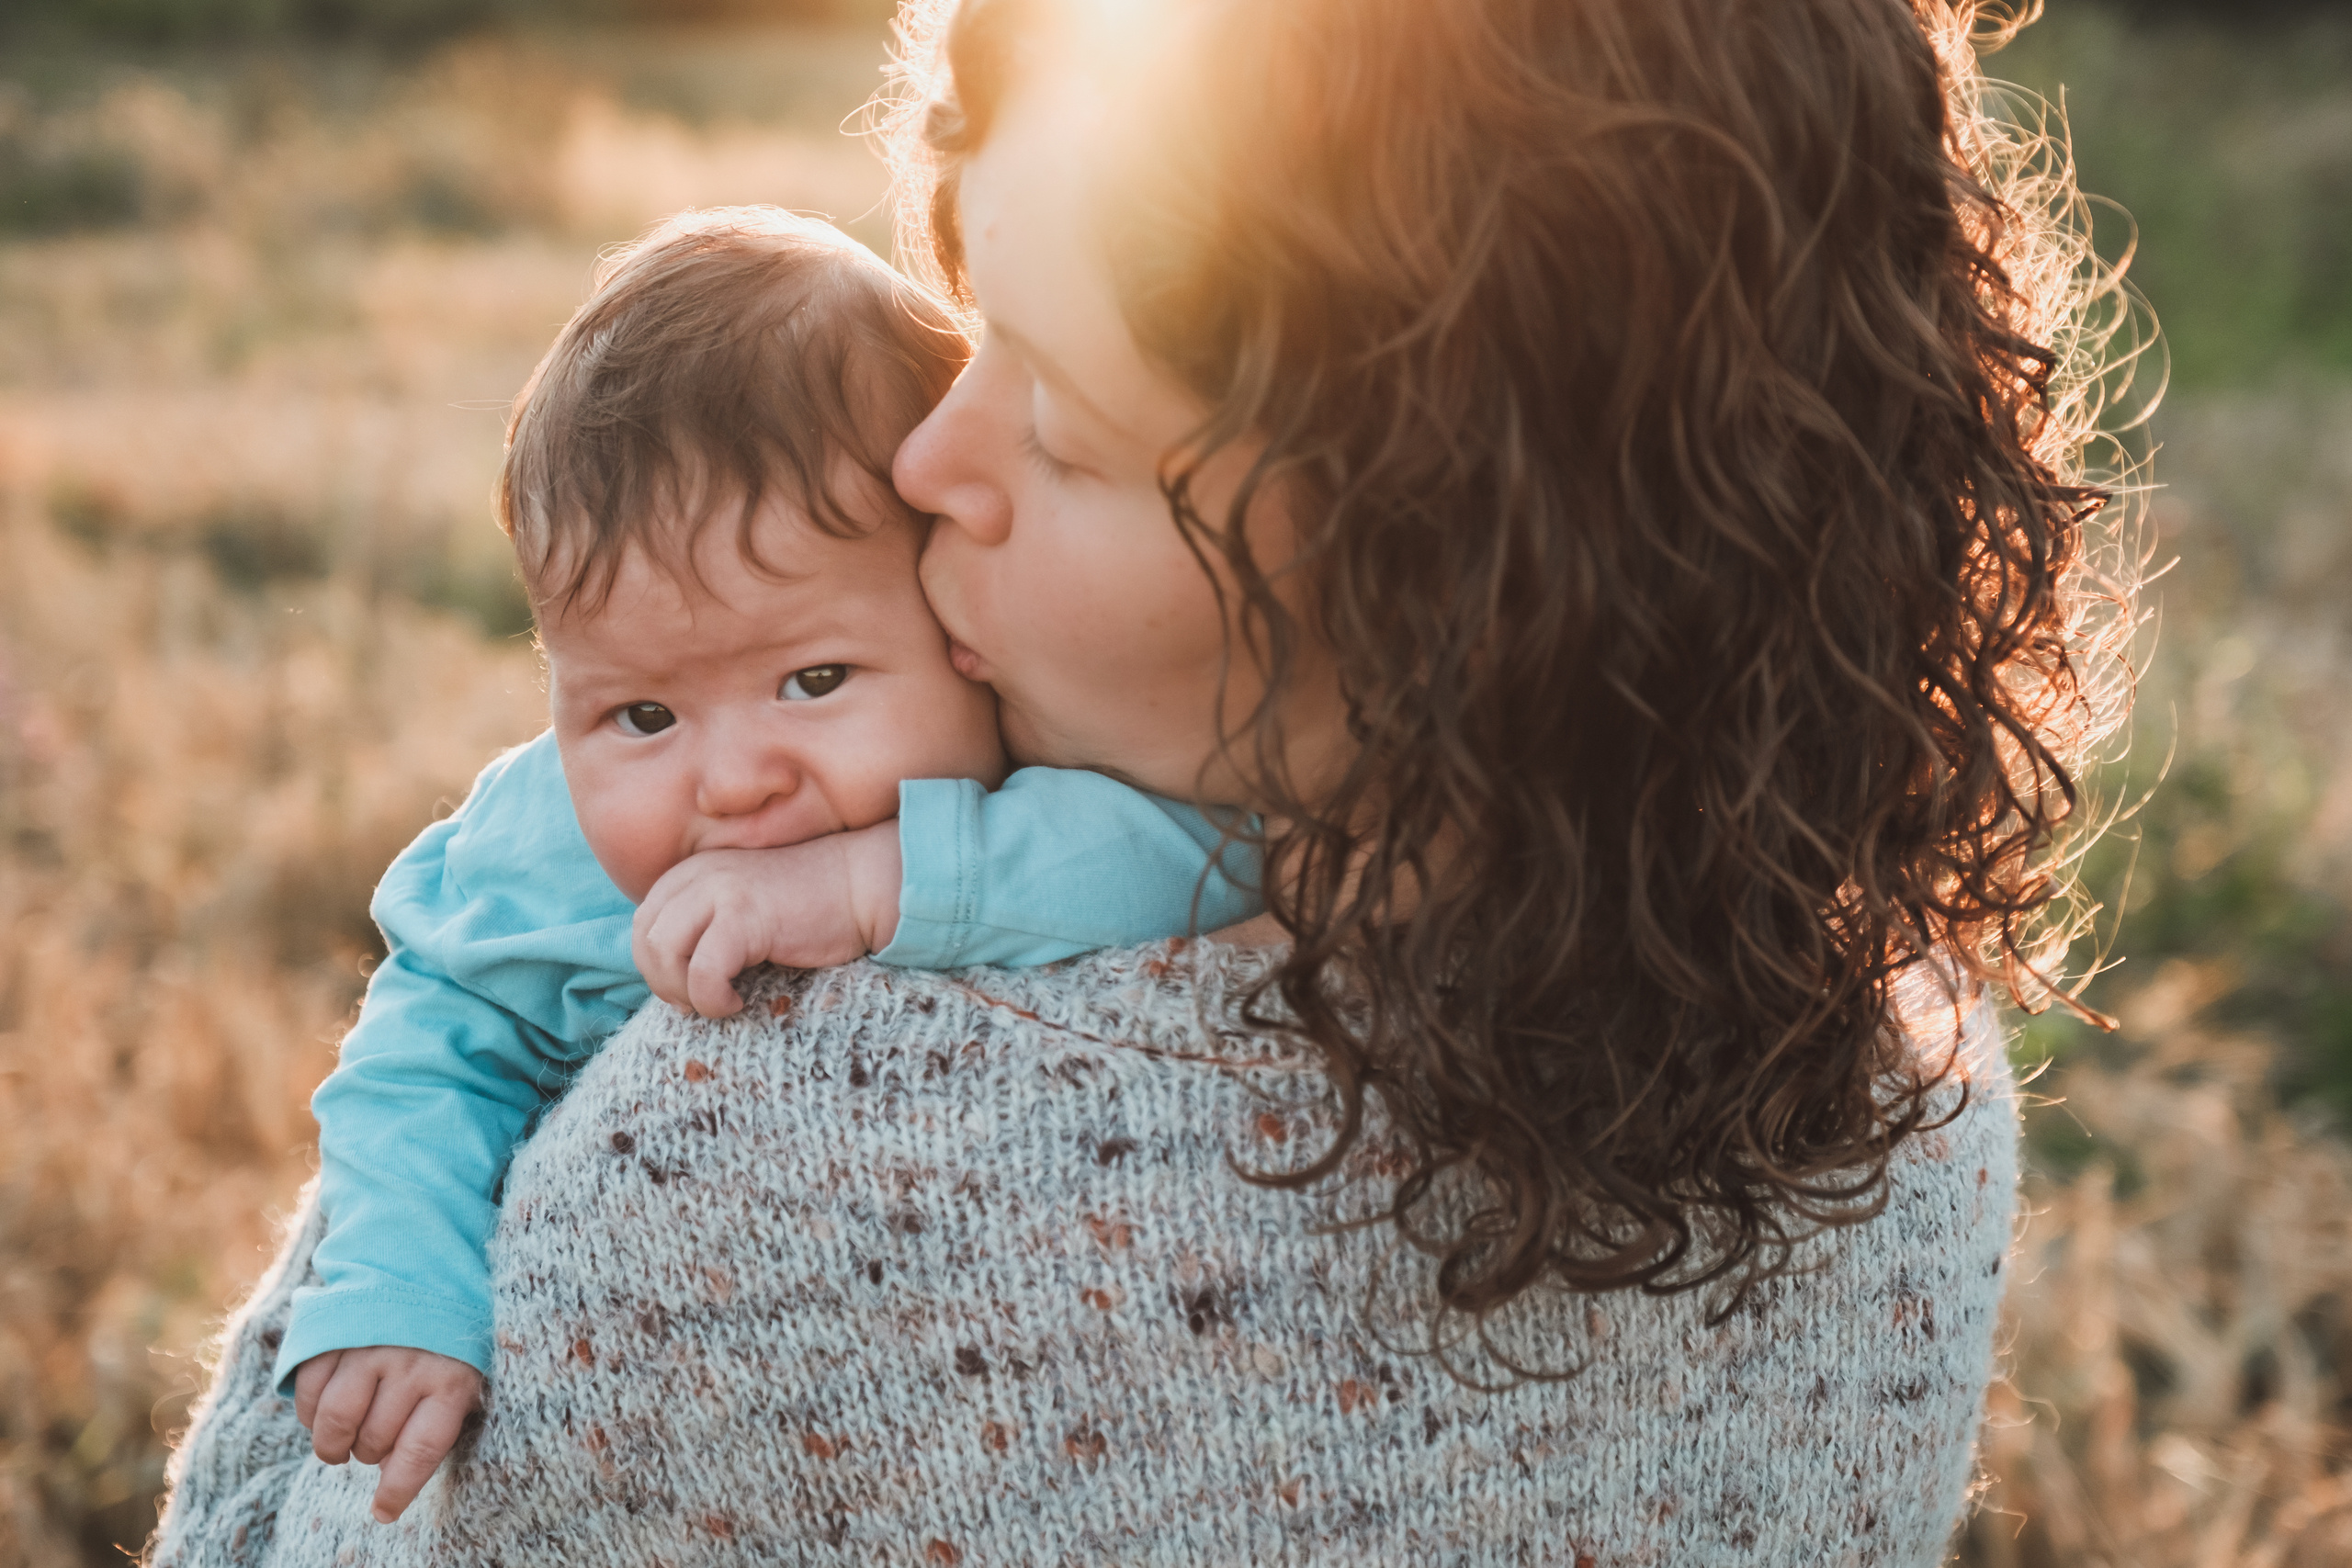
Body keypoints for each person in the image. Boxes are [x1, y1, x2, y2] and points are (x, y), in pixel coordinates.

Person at [152, 0, 2133, 1562]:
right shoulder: (1898, 1096)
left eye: (1072, 432)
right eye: (966, 327)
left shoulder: (761, 1148)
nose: (928, 461)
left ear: (1456, 574)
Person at [274, 205, 1262, 1526]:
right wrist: (401, 1284)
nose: (732, 780)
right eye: (640, 715)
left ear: (956, 616)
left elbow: (1208, 860)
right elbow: (424, 1051)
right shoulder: (544, 842)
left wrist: (869, 886)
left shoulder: (1032, 756)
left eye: (812, 680)